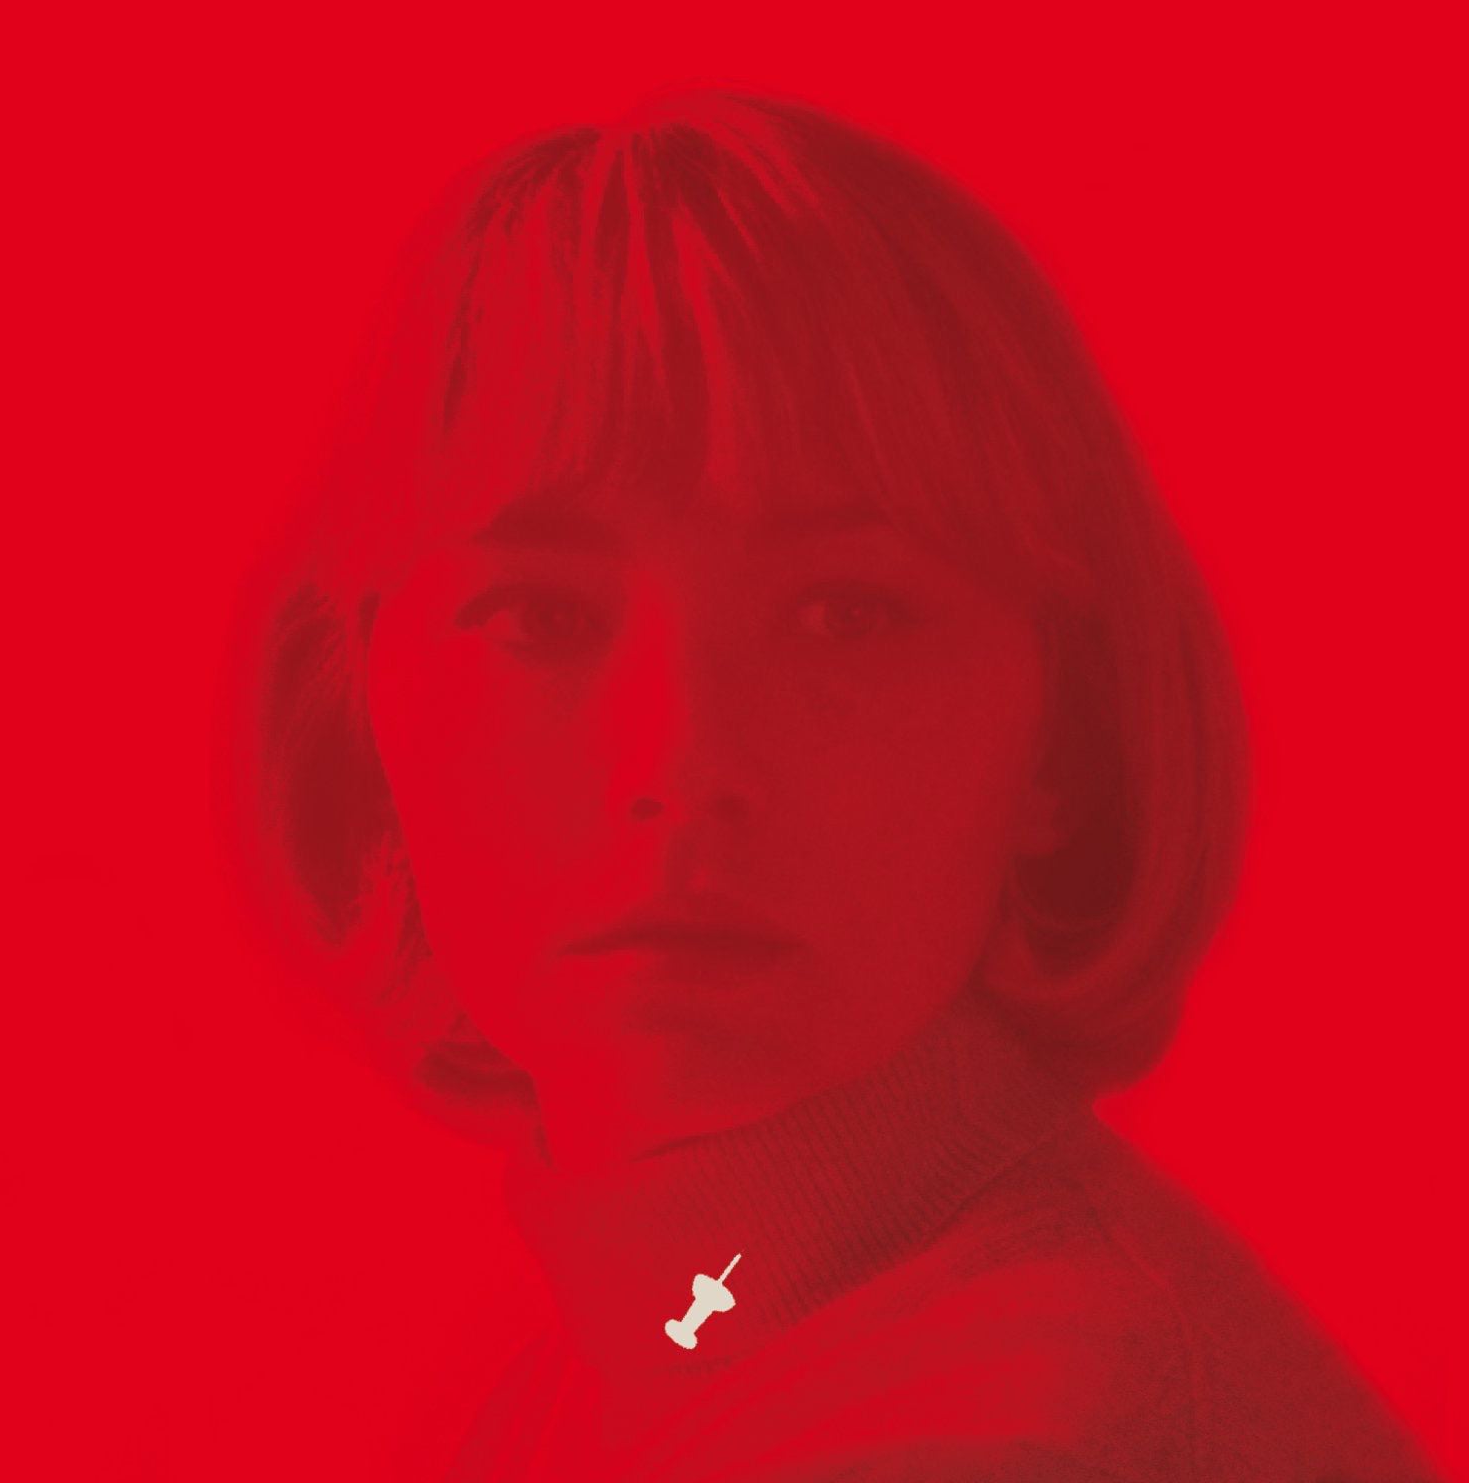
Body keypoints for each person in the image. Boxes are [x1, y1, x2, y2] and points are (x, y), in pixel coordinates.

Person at [241, 90, 1438, 1482]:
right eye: (537, 618)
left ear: (1060, 745)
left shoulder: (1029, 1433)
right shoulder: (601, 1366)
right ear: (359, 726)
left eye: (845, 616)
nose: (679, 767)